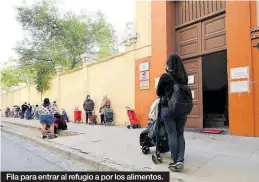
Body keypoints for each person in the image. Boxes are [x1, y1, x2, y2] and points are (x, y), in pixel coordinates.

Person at [156, 54, 188, 172]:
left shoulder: (165, 76)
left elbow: (159, 93)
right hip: (182, 109)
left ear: (168, 64)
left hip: (168, 109)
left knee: (172, 133)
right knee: (180, 134)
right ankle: (180, 159)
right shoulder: (184, 77)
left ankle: (175, 161)